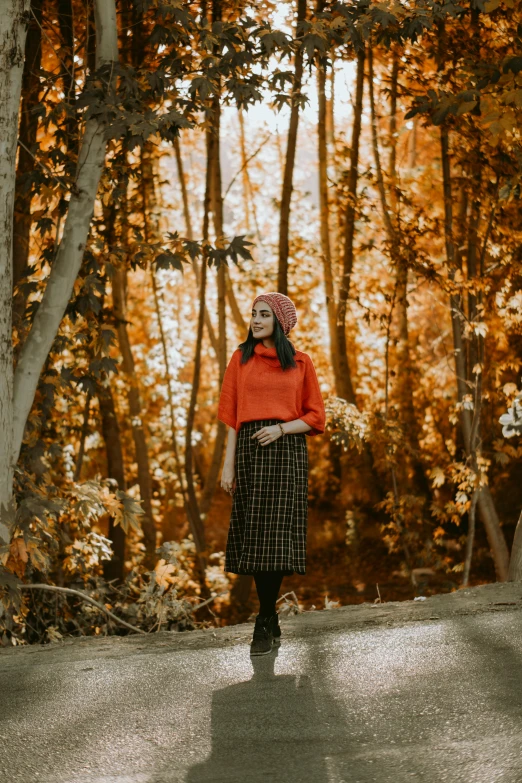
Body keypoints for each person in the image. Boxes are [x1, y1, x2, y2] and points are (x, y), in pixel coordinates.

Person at [218, 292, 325, 656]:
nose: (256, 320)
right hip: (249, 451)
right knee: (257, 534)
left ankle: (264, 617)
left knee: (276, 537)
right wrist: (227, 463)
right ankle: (269, 616)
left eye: (264, 314)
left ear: (280, 322)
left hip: (286, 452)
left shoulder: (300, 362)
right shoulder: (241, 358)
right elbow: (231, 417)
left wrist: (281, 429)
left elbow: (315, 416)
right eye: (254, 313)